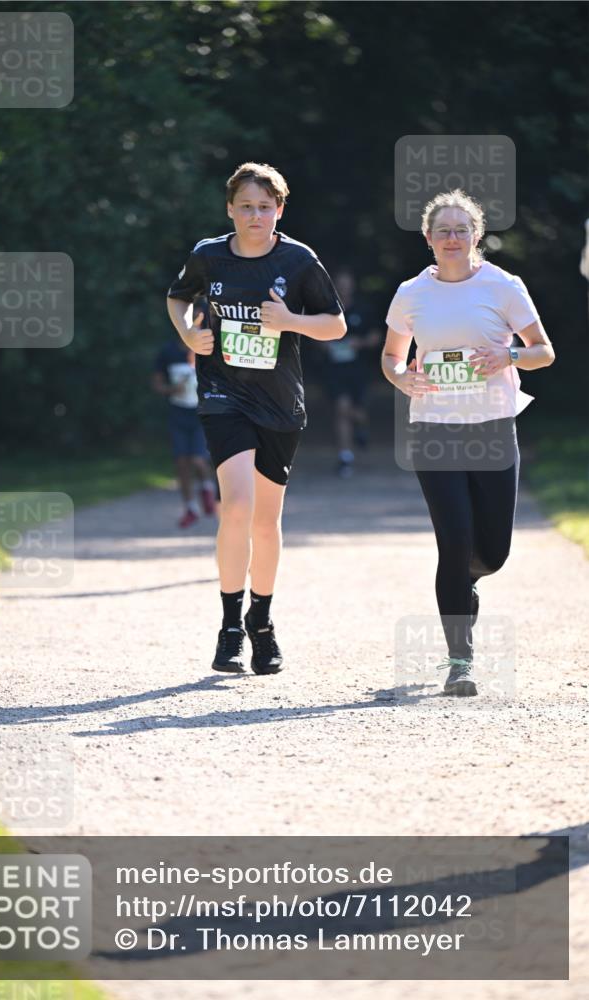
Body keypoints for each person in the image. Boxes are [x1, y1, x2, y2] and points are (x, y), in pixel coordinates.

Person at [167, 162, 346, 674]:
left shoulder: (299, 260)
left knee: (266, 523)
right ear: (230, 209)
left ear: (279, 211)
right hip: (223, 395)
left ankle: (261, 623)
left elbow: (335, 326)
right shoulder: (209, 255)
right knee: (237, 507)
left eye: (264, 207)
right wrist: (189, 334)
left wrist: (290, 320)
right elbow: (178, 298)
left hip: (279, 403)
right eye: (245, 206)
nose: (254, 216)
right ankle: (229, 628)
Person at [382, 189, 555, 696]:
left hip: (493, 428)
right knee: (454, 542)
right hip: (434, 430)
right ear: (428, 238)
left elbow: (543, 351)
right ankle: (461, 660)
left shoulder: (504, 286)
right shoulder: (411, 293)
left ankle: (469, 580)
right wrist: (401, 377)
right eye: (444, 230)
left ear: (476, 235)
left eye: (462, 230)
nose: (452, 238)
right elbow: (392, 356)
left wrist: (509, 357)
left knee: (493, 552)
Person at [152, 300, 217, 528]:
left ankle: (207, 489)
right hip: (178, 413)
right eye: (192, 319)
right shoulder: (168, 352)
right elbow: (157, 383)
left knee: (198, 459)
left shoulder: (211, 349)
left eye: (201, 320)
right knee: (181, 462)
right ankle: (190, 507)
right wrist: (171, 389)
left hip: (202, 413)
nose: (196, 324)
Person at [323, 268, 382, 477]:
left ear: (352, 286)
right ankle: (345, 457)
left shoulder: (363, 309)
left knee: (357, 411)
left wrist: (361, 343)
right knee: (341, 408)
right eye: (340, 285)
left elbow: (376, 337)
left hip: (359, 369)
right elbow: (312, 334)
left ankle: (360, 427)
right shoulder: (326, 309)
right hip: (334, 370)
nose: (343, 289)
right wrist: (324, 344)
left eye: (346, 284)